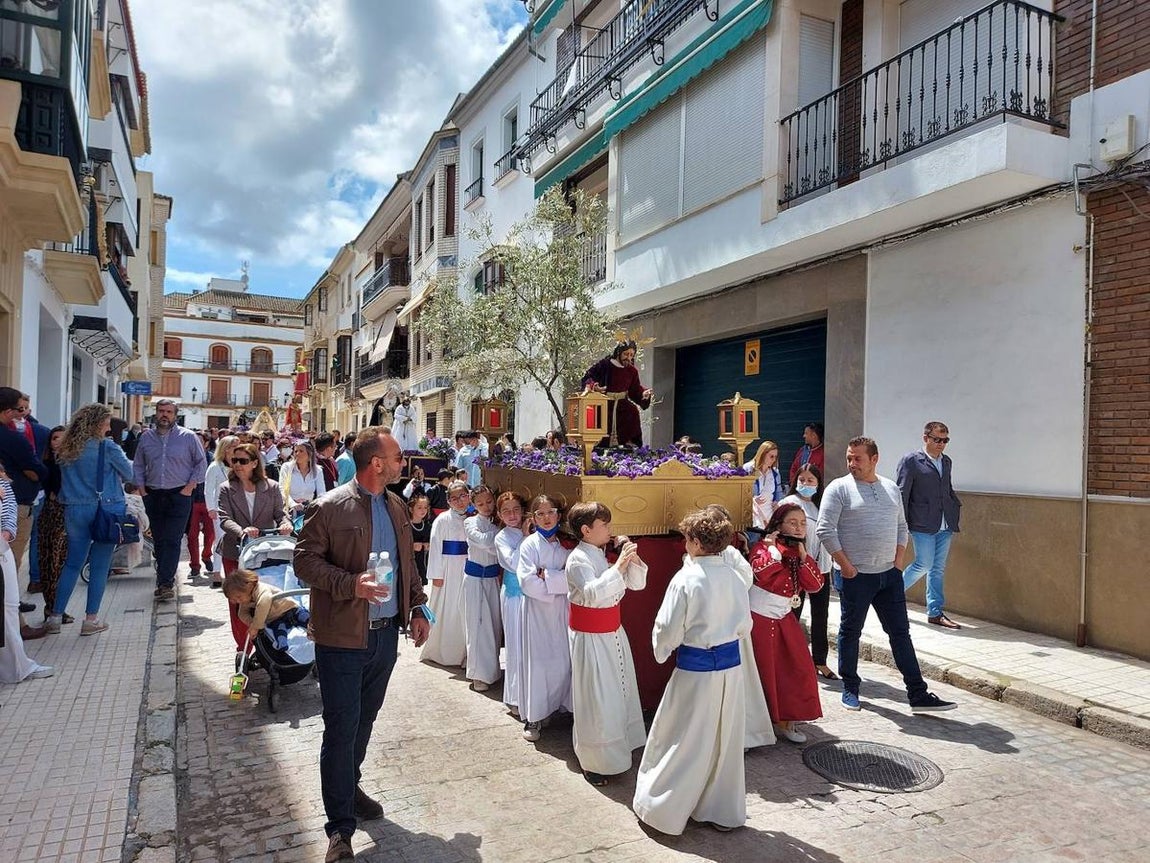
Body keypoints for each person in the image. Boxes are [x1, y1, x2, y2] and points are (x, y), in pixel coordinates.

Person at [293, 426, 429, 862]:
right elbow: (304, 563)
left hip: (385, 636)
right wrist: (351, 584)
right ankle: (340, 829)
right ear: (376, 463)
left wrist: (418, 608)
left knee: (364, 721)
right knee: (341, 728)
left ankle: (348, 788)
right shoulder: (329, 507)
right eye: (397, 457)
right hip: (341, 639)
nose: (403, 462)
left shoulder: (396, 505)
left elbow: (408, 563)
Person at [815, 436, 957, 714]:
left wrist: (898, 561)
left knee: (900, 633)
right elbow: (825, 529)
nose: (851, 463)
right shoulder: (839, 488)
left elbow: (902, 526)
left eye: (857, 458)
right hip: (855, 576)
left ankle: (918, 694)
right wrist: (846, 566)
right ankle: (850, 688)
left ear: (874, 459)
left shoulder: (891, 488)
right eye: (849, 458)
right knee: (850, 632)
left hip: (888, 576)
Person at [632, 507, 751, 835]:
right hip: (731, 671)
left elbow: (668, 627)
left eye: (686, 539)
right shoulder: (734, 576)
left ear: (697, 542)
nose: (685, 544)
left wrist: (661, 649)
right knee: (723, 739)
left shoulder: (686, 578)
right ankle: (720, 809)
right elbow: (745, 624)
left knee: (681, 738)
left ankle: (663, 809)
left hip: (696, 672)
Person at [565, 501, 647, 786]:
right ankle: (594, 761)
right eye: (604, 525)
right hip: (591, 638)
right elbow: (591, 594)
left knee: (618, 693)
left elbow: (636, 584)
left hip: (613, 633)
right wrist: (619, 565)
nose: (610, 529)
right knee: (597, 698)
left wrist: (630, 559)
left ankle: (621, 747)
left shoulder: (600, 554)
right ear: (586, 530)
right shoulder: (577, 559)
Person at [46, 404, 134, 636]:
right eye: (106, 422)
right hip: (105, 509)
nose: (109, 426)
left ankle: (55, 617)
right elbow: (130, 474)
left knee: (72, 563)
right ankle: (90, 620)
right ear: (97, 423)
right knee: (99, 565)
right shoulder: (107, 447)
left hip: (74, 509)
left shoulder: (66, 448)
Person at [748, 504, 824, 743]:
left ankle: (787, 720)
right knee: (761, 672)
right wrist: (772, 549)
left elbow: (815, 585)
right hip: (758, 620)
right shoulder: (763, 547)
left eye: (803, 523)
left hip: (784, 618)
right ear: (779, 525)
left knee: (797, 668)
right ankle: (752, 729)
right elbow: (761, 572)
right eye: (793, 523)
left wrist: (804, 558)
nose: (799, 528)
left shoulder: (799, 553)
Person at [217, 442, 293, 646]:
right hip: (236, 550)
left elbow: (280, 514)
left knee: (265, 598)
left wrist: (285, 524)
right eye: (234, 460)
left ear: (254, 463)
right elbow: (224, 519)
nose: (237, 465)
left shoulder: (271, 487)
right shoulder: (226, 489)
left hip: (264, 552)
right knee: (239, 602)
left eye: (242, 461)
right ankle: (243, 646)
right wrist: (242, 530)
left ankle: (267, 643)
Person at [133, 398, 207, 601]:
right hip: (153, 495)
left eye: (169, 412)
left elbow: (201, 464)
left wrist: (189, 488)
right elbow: (138, 465)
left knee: (173, 539)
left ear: (175, 415)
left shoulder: (188, 437)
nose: (164, 415)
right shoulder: (146, 438)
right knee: (158, 540)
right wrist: (142, 490)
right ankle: (163, 579)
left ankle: (166, 583)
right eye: (161, 411)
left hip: (179, 495)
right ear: (156, 413)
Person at [515, 494, 572, 742]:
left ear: (559, 515)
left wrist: (547, 576)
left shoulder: (567, 545)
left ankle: (564, 707)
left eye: (551, 512)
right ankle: (535, 716)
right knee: (538, 662)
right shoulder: (529, 545)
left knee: (564, 659)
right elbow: (527, 582)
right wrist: (557, 582)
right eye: (540, 514)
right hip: (537, 611)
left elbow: (575, 578)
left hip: (563, 610)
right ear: (533, 518)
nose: (546, 518)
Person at [898, 421, 963, 630]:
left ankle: (935, 612)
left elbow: (947, 488)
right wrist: (901, 523)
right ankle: (890, 595)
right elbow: (902, 492)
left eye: (945, 440)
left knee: (937, 569)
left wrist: (954, 506)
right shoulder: (911, 461)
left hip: (945, 522)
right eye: (937, 440)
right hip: (921, 522)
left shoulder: (947, 461)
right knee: (923, 564)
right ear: (925, 438)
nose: (941, 444)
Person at [779, 463, 836, 679]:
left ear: (818, 483)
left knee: (820, 615)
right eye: (802, 480)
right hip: (797, 566)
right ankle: (790, 659)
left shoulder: (822, 504)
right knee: (794, 613)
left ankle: (820, 660)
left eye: (810, 480)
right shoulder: (789, 504)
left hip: (821, 567)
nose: (805, 483)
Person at [0, 465, 54, 681]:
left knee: (9, 607)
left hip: (2, 551)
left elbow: (9, 504)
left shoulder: (2, 480)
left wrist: (7, 532)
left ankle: (17, 667)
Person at [0, 388, 47, 594]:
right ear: (8, 411)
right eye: (19, 409)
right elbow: (36, 471)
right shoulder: (13, 439)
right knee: (9, 562)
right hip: (15, 505)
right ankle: (10, 609)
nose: (23, 414)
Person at [420, 481, 471, 668]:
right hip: (448, 569)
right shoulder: (442, 519)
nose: (459, 501)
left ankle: (465, 653)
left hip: (468, 568)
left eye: (463, 496)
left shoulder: (474, 516)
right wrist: (436, 574)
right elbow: (435, 547)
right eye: (454, 498)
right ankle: (443, 653)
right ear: (448, 501)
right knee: (448, 610)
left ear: (469, 496)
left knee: (465, 610)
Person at [463, 485, 502, 691]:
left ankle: (492, 670)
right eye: (480, 504)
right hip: (475, 579)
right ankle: (478, 674)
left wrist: (496, 536)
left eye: (489, 502)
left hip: (492, 579)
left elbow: (497, 548)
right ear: (473, 505)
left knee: (493, 625)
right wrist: (498, 534)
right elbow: (486, 542)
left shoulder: (498, 522)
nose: (486, 507)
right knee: (477, 626)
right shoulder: (470, 522)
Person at [494, 492, 529, 717]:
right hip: (514, 595)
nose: (512, 515)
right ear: (499, 515)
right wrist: (525, 537)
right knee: (516, 646)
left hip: (533, 596)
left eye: (516, 509)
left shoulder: (533, 530)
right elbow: (516, 563)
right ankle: (515, 697)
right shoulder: (502, 537)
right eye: (506, 511)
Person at [581, 340, 653, 447]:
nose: (628, 358)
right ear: (619, 353)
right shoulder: (605, 365)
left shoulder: (632, 371)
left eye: (631, 355)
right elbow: (588, 377)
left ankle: (629, 445)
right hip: (605, 403)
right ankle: (599, 447)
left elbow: (635, 390)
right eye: (626, 354)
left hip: (622, 404)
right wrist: (594, 386)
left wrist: (643, 394)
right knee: (599, 420)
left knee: (633, 411)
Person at [223, 567, 311, 651]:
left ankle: (313, 627)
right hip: (276, 619)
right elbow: (242, 614)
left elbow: (263, 603)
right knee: (278, 630)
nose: (238, 601)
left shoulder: (261, 589)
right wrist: (251, 623)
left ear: (249, 586)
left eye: (239, 597)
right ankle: (282, 645)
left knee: (304, 617)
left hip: (290, 609)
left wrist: (256, 625)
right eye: (235, 600)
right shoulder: (245, 599)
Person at [35, 426, 69, 625]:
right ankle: (52, 607)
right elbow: (52, 488)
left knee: (61, 562)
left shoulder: (71, 463)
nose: (58, 441)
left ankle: (57, 608)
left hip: (66, 515)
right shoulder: (47, 464)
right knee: (51, 562)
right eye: (54, 438)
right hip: (51, 514)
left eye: (62, 438)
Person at [204, 435, 239, 587]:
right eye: (234, 446)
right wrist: (211, 508)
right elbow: (208, 489)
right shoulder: (215, 466)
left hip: (237, 508)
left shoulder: (239, 465)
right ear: (226, 449)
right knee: (221, 540)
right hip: (220, 509)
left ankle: (234, 572)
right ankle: (217, 572)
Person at [745, 440, 784, 533]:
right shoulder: (748, 469)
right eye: (771, 456)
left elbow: (779, 492)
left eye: (775, 457)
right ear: (763, 454)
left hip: (769, 515)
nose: (773, 459)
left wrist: (777, 503)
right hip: (753, 515)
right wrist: (752, 500)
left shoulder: (775, 472)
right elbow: (741, 492)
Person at [283, 440, 324, 526]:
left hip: (309, 512)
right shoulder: (287, 468)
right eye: (295, 451)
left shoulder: (318, 471)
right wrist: (293, 504)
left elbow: (321, 494)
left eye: (301, 451)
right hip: (289, 512)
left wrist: (313, 507)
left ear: (310, 454)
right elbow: (282, 489)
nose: (297, 454)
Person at [185, 479, 215, 580]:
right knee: (192, 535)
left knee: (211, 533)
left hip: (208, 502)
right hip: (191, 501)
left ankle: (206, 556)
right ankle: (195, 566)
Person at [787, 422, 825, 489]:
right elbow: (794, 468)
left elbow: (821, 475)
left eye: (806, 433)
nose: (804, 436)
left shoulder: (823, 453)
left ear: (814, 435)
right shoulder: (802, 450)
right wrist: (794, 485)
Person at [408, 493, 431, 585]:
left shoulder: (428, 526)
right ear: (411, 509)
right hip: (409, 563)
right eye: (419, 507)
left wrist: (428, 545)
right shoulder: (406, 526)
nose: (423, 510)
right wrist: (412, 546)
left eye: (425, 507)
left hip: (422, 563)